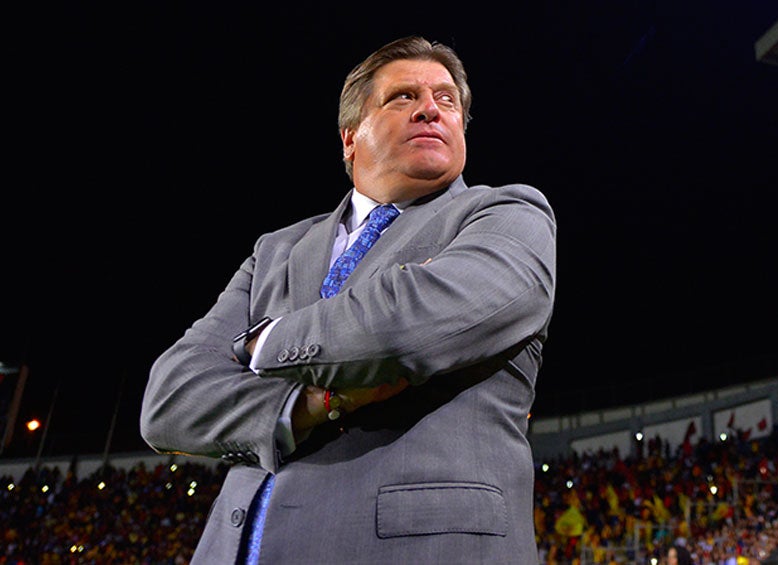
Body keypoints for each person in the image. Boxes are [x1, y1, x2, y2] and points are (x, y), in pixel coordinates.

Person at [140, 35, 557, 564]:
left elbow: (409, 322)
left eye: (447, 100)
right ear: (349, 138)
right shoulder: (277, 251)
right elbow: (169, 400)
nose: (431, 108)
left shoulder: (508, 216)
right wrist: (308, 405)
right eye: (403, 97)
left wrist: (262, 345)